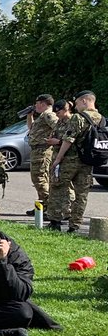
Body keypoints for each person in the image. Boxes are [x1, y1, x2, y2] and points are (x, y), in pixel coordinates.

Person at [48, 90, 104, 233]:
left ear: (84, 101)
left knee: (58, 187)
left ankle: (55, 222)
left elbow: (68, 140)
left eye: (77, 102)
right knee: (82, 194)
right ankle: (75, 225)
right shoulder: (102, 119)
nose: (76, 106)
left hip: (71, 160)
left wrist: (58, 159)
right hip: (88, 161)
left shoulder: (78, 118)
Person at [26, 94, 60, 212]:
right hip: (37, 150)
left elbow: (58, 126)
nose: (35, 106)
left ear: (43, 104)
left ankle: (48, 208)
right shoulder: (42, 116)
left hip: (43, 150)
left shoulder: (48, 115)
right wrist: (29, 116)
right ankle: (42, 207)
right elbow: (31, 128)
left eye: (37, 103)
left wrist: (56, 140)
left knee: (40, 179)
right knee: (38, 179)